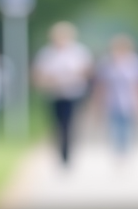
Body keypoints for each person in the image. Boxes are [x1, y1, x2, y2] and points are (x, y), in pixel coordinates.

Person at [31, 21, 93, 165]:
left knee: (70, 124)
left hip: (74, 94)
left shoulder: (79, 52)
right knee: (56, 124)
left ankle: (67, 151)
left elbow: (88, 71)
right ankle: (59, 148)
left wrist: (74, 75)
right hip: (54, 94)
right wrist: (47, 81)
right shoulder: (46, 53)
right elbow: (38, 74)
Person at [92, 34, 138, 158]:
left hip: (131, 100)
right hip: (111, 100)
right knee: (113, 126)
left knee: (128, 126)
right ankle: (117, 150)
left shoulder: (136, 62)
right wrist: (97, 102)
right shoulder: (107, 62)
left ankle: (125, 150)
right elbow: (101, 84)